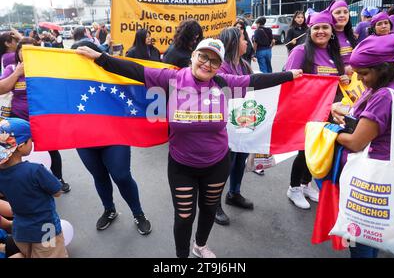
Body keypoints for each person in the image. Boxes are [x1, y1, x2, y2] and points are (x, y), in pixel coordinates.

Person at [76, 38, 303, 258]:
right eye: (203, 56)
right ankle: (182, 256)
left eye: (214, 61)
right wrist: (101, 58)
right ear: (193, 56)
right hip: (181, 165)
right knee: (184, 216)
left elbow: (257, 82)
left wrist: (289, 75)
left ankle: (200, 246)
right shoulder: (172, 79)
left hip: (217, 163)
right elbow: (135, 70)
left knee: (208, 209)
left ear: (219, 65)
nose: (207, 64)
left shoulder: (224, 83)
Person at [70, 43, 152, 235]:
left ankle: (138, 214)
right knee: (99, 176)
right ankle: (109, 210)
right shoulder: (68, 77)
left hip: (114, 135)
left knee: (122, 176)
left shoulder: (111, 70)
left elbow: (134, 83)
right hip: (84, 139)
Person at [332, 33, 394, 258]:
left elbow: (356, 141)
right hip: (380, 175)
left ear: (382, 69)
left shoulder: (384, 97)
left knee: (360, 237)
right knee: (372, 234)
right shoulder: (391, 88)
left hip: (369, 177)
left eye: (364, 74)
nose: (360, 79)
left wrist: (329, 132)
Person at [284, 10, 349, 209]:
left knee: (320, 150)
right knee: (304, 151)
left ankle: (305, 184)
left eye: (325, 28)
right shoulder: (300, 52)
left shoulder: (333, 53)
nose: (321, 31)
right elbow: (287, 80)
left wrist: (342, 79)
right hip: (306, 112)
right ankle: (293, 188)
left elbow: (333, 84)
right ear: (310, 30)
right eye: (316, 28)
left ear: (332, 31)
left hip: (330, 112)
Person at [1, 38, 71, 193]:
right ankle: (24, 183)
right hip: (19, 119)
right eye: (22, 49)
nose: (25, 53)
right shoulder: (12, 68)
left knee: (51, 148)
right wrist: (18, 73)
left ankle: (57, 179)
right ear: (17, 52)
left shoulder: (45, 69)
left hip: (42, 118)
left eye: (30, 49)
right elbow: (2, 88)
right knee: (16, 151)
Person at [0, 118, 68, 258]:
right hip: (46, 230)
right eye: (31, 139)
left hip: (20, 231)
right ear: (20, 146)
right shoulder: (35, 170)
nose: (33, 142)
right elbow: (57, 191)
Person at [214, 27, 254, 226]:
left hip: (243, 122)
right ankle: (214, 204)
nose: (247, 42)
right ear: (232, 44)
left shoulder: (245, 65)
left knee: (240, 160)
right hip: (226, 126)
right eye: (244, 39)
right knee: (225, 165)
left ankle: (234, 193)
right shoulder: (220, 68)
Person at [327, 0, 357, 67]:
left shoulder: (352, 36)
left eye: (346, 12)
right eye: (338, 12)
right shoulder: (325, 37)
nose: (342, 15)